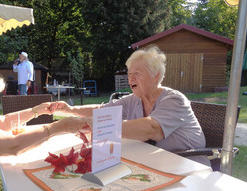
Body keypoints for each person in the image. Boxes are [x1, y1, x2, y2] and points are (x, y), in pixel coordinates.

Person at [50, 45, 210, 167]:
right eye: (129, 74)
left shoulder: (174, 99)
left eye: (137, 74)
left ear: (156, 76)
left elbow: (151, 129)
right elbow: (101, 110)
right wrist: (69, 110)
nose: (130, 79)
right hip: (155, 163)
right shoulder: (133, 99)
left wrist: (96, 126)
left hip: (187, 167)